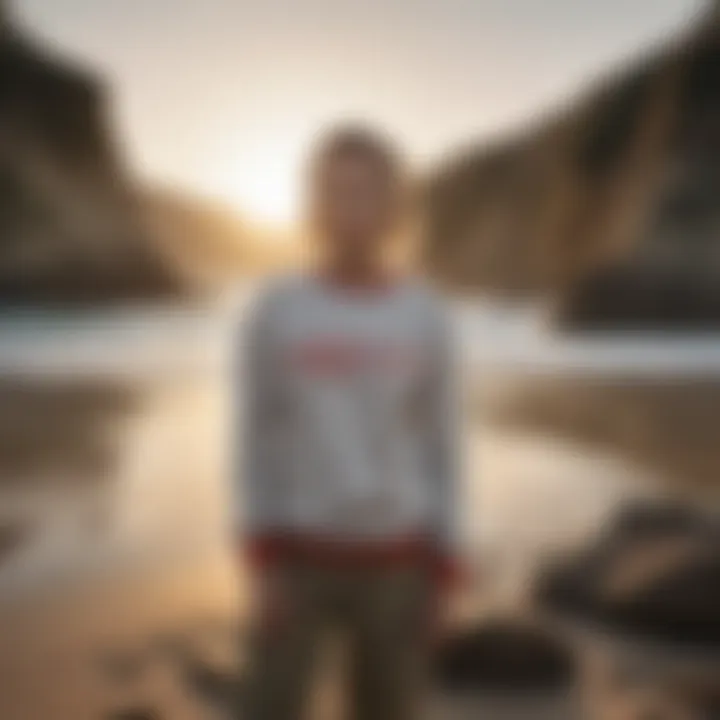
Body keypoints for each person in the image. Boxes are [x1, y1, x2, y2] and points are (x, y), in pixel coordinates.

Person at [237, 124, 463, 720]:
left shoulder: (425, 314)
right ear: (314, 206)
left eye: (367, 192)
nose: (351, 209)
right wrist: (262, 566)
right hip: (299, 560)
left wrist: (444, 573)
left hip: (399, 567)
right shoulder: (278, 309)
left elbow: (444, 446)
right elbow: (256, 441)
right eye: (335, 192)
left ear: (394, 207)